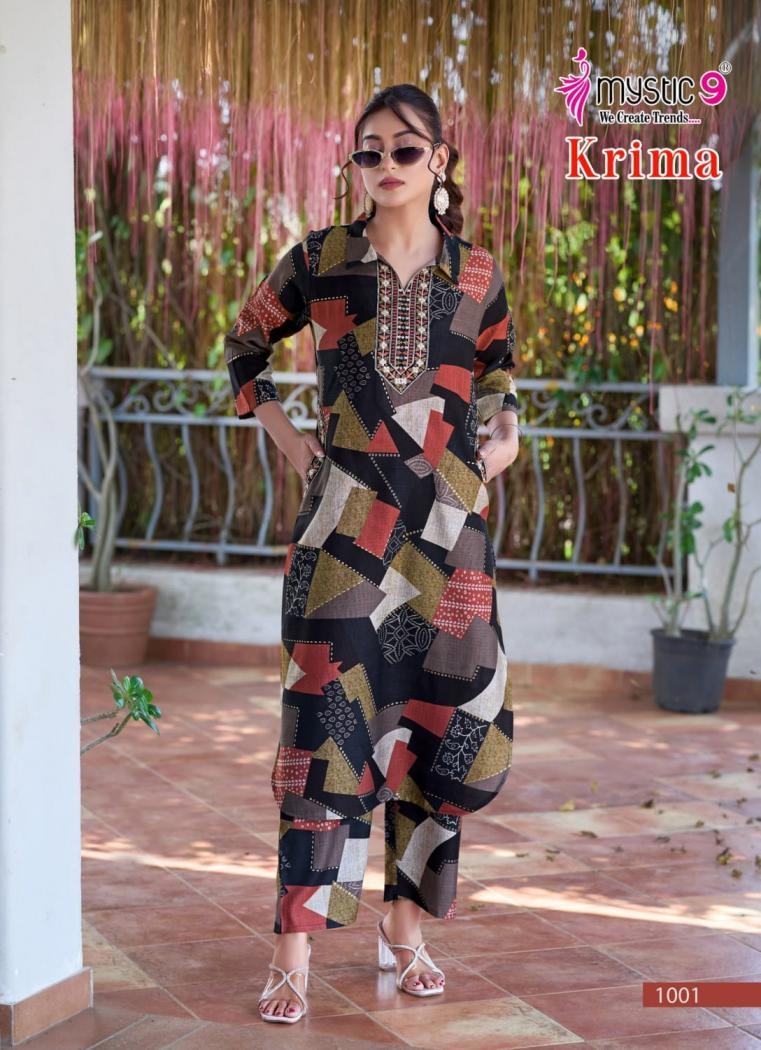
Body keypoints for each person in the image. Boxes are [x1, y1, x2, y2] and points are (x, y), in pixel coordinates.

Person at [224, 82, 521, 1024]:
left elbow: (497, 373)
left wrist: (505, 434)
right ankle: (292, 952)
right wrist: (285, 435)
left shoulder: (477, 273)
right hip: (342, 532)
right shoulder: (319, 261)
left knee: (434, 723)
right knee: (323, 731)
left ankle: (406, 928)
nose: (385, 165)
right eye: (368, 151)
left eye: (404, 149)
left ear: (440, 160)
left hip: (446, 532)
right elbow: (244, 342)